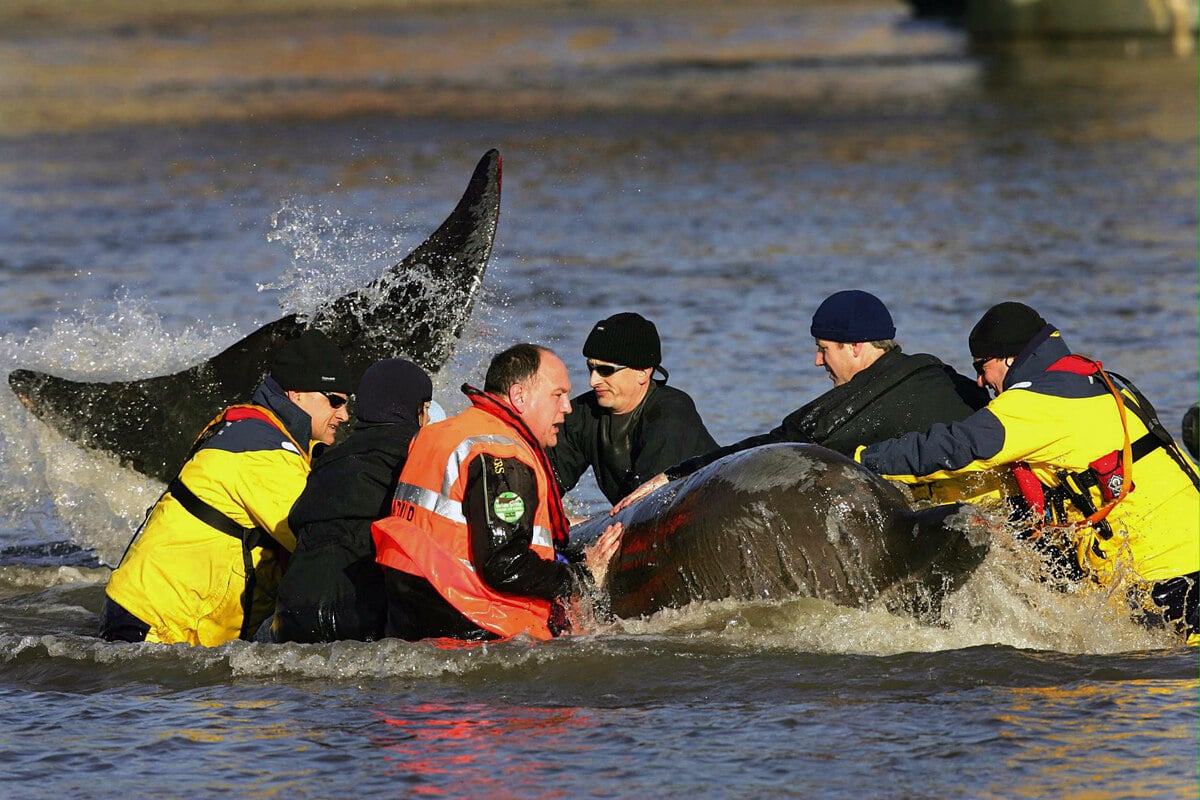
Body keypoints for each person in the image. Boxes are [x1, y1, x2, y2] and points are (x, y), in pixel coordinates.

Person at [856, 302, 1200, 639]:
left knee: (1159, 686)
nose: (979, 381)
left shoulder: (1037, 403)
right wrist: (918, 497)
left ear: (1009, 358)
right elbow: (1001, 482)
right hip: (1183, 556)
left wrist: (864, 461)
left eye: (981, 366)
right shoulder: (1094, 382)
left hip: (1170, 574)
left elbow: (956, 448)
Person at [615, 290, 988, 510]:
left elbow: (772, 448)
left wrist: (676, 475)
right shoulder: (947, 379)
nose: (817, 360)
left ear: (855, 348)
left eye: (823, 349)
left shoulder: (843, 412)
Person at [99, 329, 353, 646]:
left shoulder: (259, 432)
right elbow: (321, 540)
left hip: (154, 616)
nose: (344, 413)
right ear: (297, 394)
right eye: (335, 401)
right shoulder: (261, 453)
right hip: (154, 628)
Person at [372, 343, 622, 642]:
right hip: (475, 625)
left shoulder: (439, 434)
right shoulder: (501, 452)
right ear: (518, 396)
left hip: (408, 619)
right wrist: (582, 577)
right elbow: (505, 565)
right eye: (558, 395)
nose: (567, 407)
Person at [272, 358, 434, 644]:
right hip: (360, 618)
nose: (429, 420)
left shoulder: (324, 461)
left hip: (292, 617)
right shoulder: (418, 454)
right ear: (417, 409)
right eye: (427, 409)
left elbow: (297, 522)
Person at [547, 312, 718, 506]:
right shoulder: (580, 414)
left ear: (643, 373)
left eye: (605, 371)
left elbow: (650, 503)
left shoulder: (672, 412)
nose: (593, 381)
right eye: (591, 368)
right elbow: (545, 485)